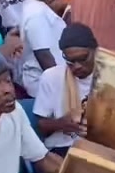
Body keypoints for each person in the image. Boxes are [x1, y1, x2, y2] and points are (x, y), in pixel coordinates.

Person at [9, 0, 67, 97]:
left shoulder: (37, 7)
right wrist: (63, 89)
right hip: (49, 89)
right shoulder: (35, 13)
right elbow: (44, 55)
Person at [33, 23, 96, 152]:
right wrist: (61, 124)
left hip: (99, 148)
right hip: (63, 148)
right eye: (70, 61)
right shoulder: (51, 77)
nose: (77, 66)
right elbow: (41, 126)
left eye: (83, 58)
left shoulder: (109, 79)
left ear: (95, 51)